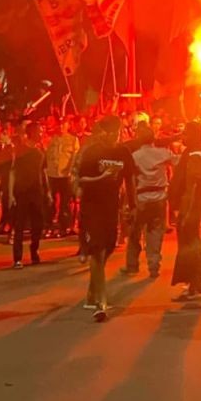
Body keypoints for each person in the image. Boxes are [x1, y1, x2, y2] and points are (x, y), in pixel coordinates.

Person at [75, 116, 126, 321]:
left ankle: (92, 289)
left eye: (117, 131)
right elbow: (81, 178)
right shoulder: (90, 152)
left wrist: (131, 204)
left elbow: (129, 178)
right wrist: (102, 178)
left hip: (112, 209)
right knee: (97, 250)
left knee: (109, 248)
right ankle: (100, 302)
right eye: (110, 131)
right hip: (92, 208)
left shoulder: (122, 152)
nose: (114, 135)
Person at [125, 124, 173, 278]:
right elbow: (179, 161)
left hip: (141, 199)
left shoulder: (135, 156)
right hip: (159, 198)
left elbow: (130, 179)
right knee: (155, 232)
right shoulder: (163, 153)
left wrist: (130, 203)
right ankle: (153, 266)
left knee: (134, 233)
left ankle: (132, 265)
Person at [170, 122, 201, 301]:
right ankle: (196, 282)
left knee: (188, 247)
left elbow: (195, 185)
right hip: (188, 207)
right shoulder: (191, 153)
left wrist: (188, 212)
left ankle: (191, 283)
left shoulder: (196, 155)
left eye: (185, 134)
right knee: (190, 245)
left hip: (190, 208)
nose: (182, 137)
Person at [10, 122, 46, 269]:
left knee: (38, 224)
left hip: (37, 192)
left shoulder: (40, 152)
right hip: (21, 192)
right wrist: (11, 193)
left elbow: (43, 172)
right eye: (39, 131)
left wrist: (47, 191)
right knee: (19, 226)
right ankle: (17, 258)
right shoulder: (20, 151)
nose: (41, 134)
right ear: (32, 133)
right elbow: (12, 172)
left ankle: (34, 250)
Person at [45, 116, 78, 236]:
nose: (61, 126)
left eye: (64, 124)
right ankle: (51, 226)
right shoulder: (50, 139)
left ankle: (65, 227)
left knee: (66, 203)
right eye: (59, 124)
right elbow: (46, 155)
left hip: (66, 175)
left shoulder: (73, 140)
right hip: (52, 174)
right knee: (51, 202)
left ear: (68, 125)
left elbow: (74, 158)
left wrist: (72, 172)